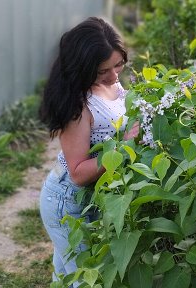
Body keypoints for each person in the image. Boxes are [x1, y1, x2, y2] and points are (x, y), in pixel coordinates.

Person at [39, 17, 139, 286]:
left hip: (97, 197)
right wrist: (127, 145)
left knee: (67, 276)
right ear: (83, 68)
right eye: (102, 71)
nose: (114, 75)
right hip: (69, 202)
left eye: (118, 65)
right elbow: (79, 173)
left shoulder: (111, 84)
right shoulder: (78, 105)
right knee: (86, 280)